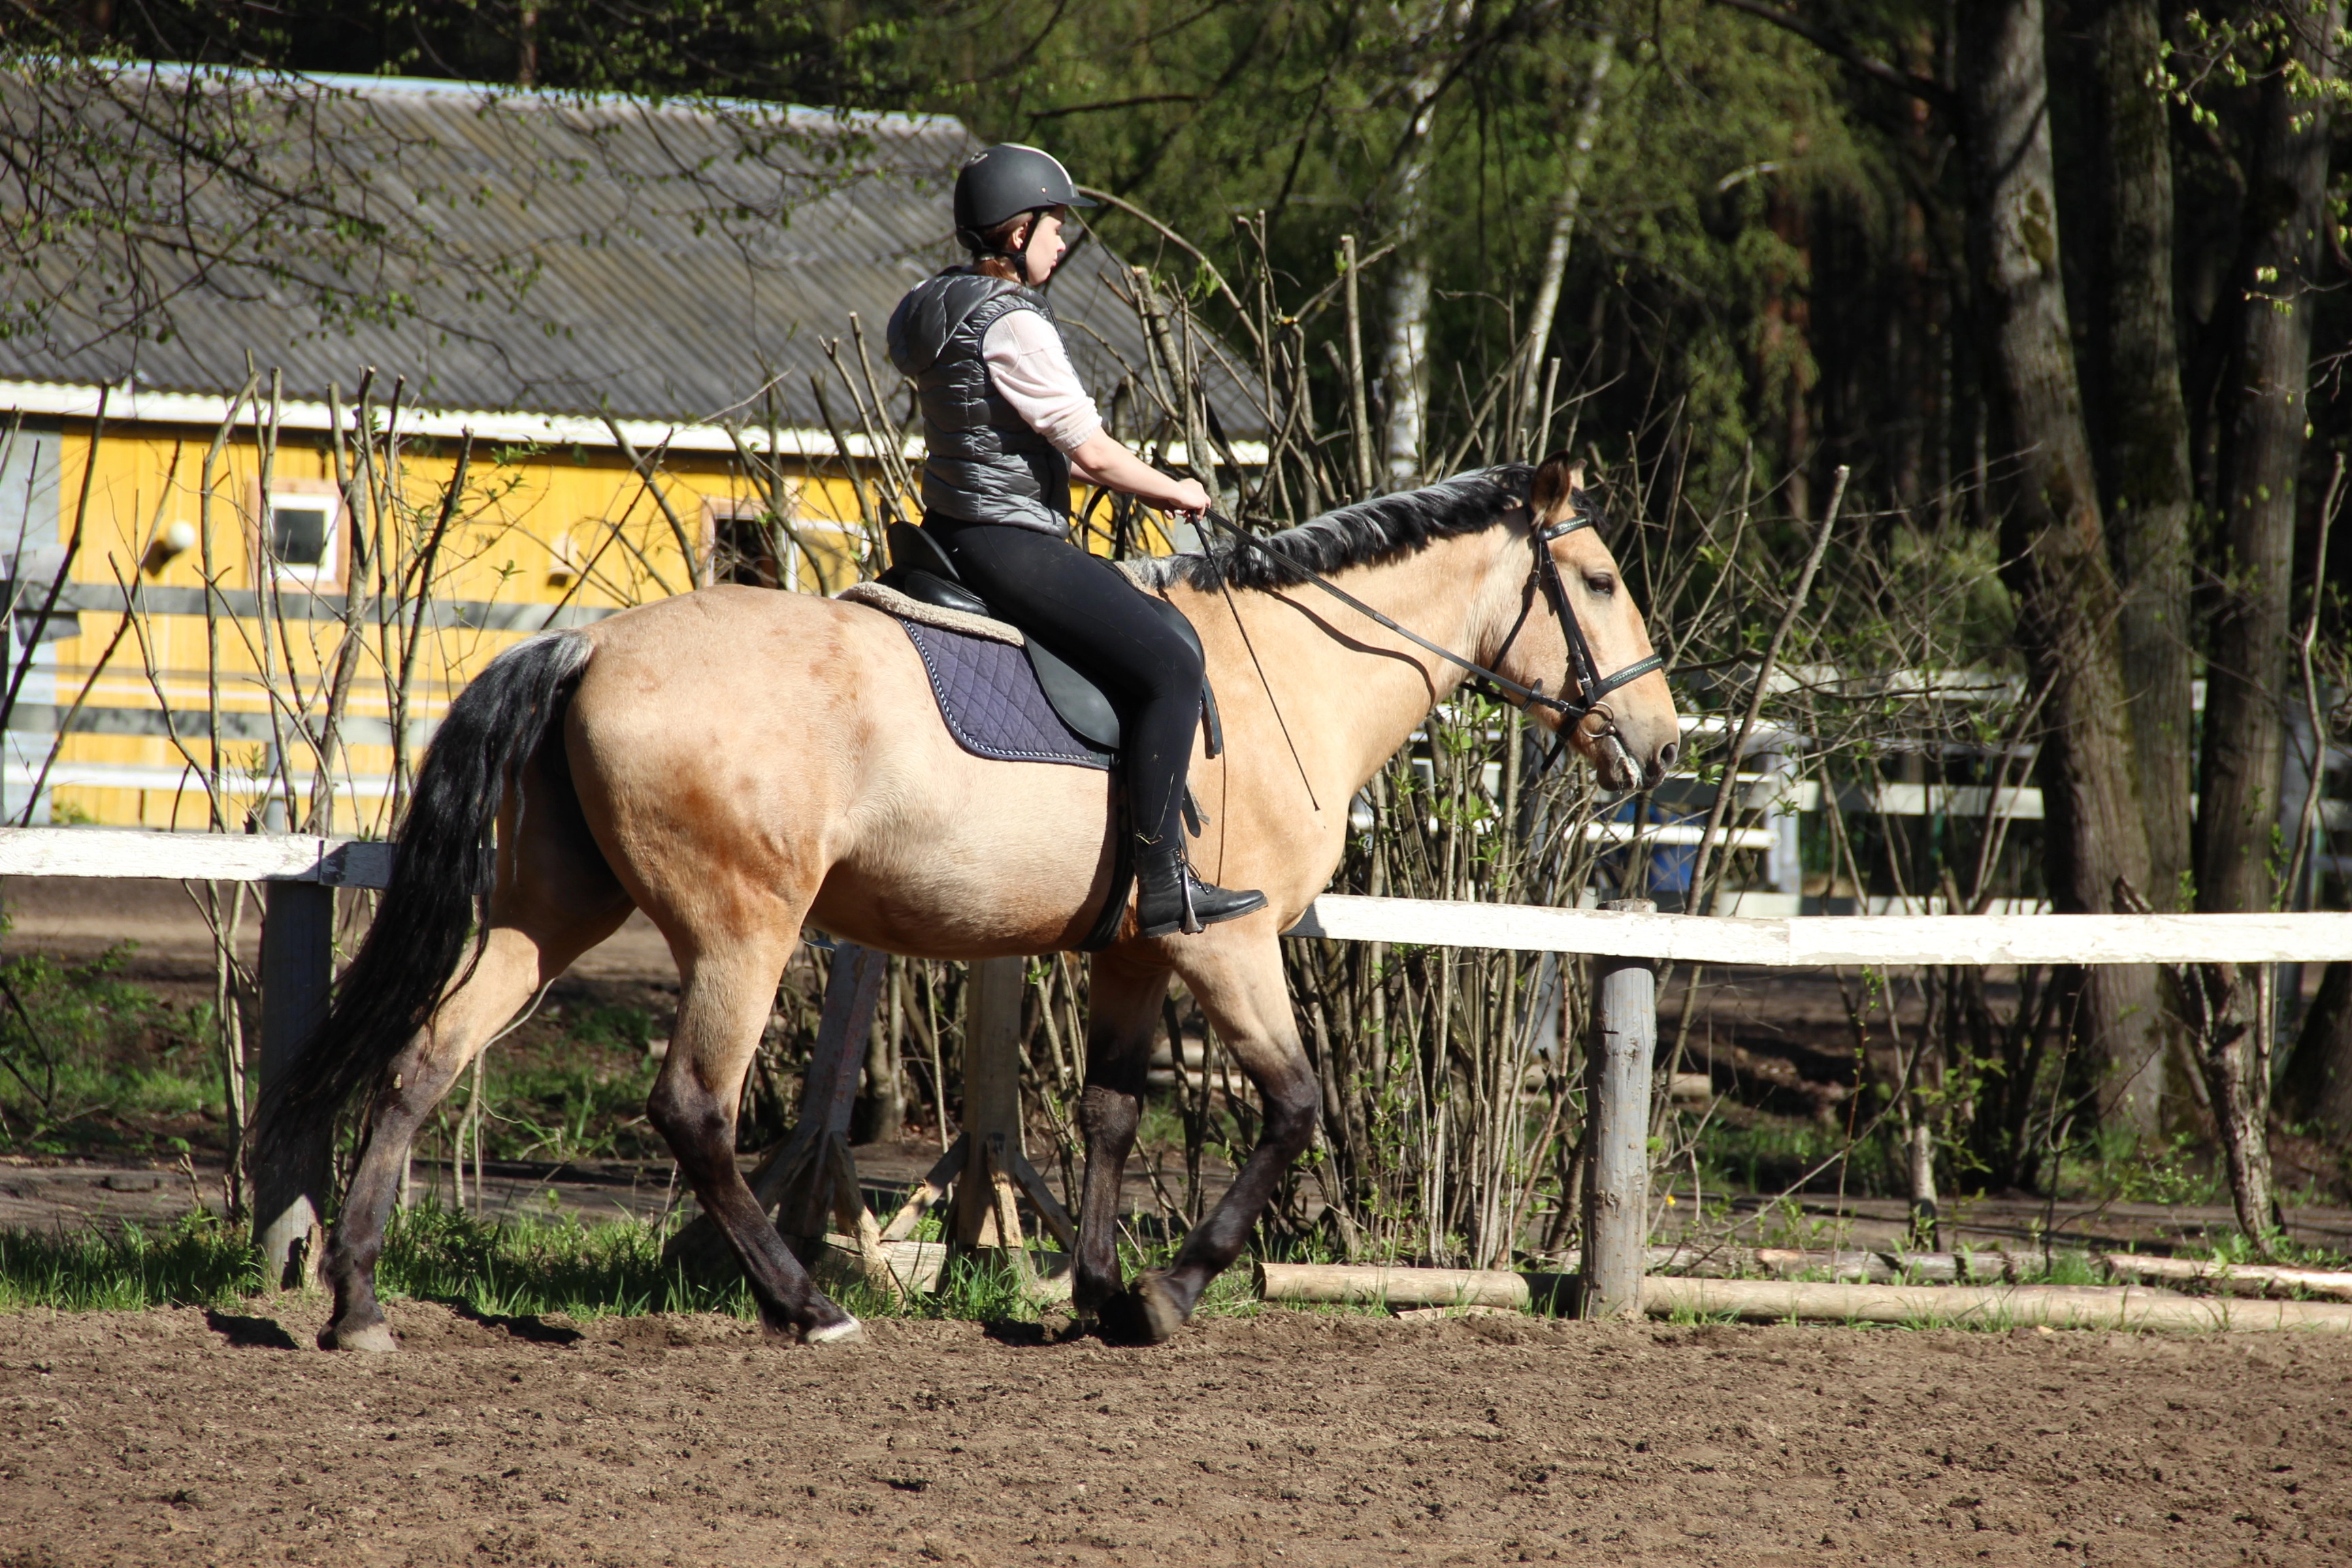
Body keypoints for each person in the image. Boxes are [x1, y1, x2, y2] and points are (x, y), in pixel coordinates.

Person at [886, 143, 1265, 938]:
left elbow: (1002, 432)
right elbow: (1090, 453)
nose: (1065, 241)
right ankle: (1165, 880)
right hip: (1009, 540)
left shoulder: (927, 302)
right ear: (1016, 231)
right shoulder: (1012, 321)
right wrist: (1178, 489)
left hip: (950, 530)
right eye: (1056, 225)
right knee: (1172, 658)